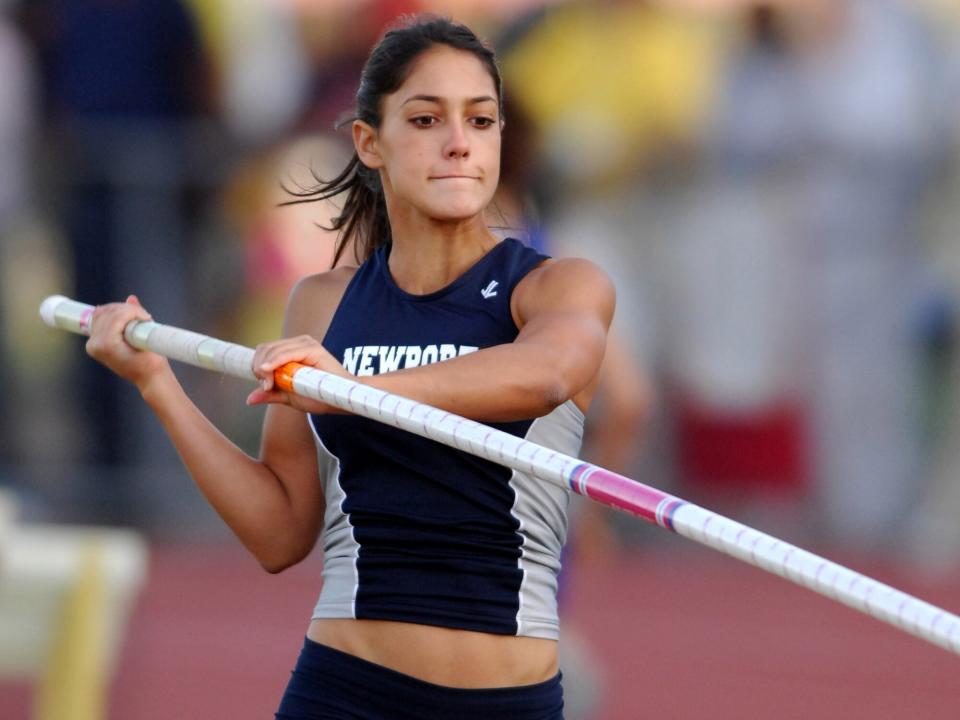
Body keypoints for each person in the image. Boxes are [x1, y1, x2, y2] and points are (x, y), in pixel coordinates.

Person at [84, 16, 614, 719]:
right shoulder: (322, 305)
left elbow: (543, 374)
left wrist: (351, 389)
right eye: (426, 119)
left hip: (504, 699)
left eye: (481, 120)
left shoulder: (556, 287)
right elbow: (279, 533)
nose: (459, 141)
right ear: (370, 143)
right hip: (345, 690)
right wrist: (157, 385)